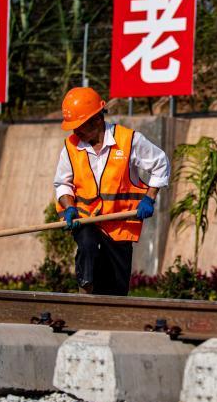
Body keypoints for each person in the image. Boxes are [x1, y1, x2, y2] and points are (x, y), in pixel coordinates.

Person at [53, 87, 170, 296]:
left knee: (116, 285)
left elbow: (160, 163)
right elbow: (62, 183)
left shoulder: (129, 141)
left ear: (96, 119)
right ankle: (85, 293)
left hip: (120, 223)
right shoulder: (70, 147)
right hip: (85, 218)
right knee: (88, 246)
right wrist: (69, 208)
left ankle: (111, 310)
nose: (75, 132)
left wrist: (149, 198)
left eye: (79, 126)